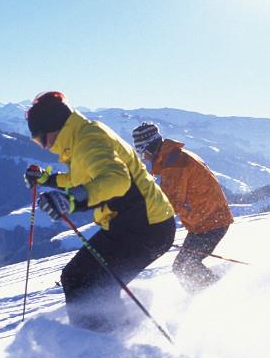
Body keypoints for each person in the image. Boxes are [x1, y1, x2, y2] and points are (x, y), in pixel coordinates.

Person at [24, 92, 175, 332]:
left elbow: (117, 180)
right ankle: (115, 339)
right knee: (81, 278)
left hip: (146, 227)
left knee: (85, 282)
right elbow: (81, 177)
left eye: (41, 138)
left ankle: (101, 347)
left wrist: (71, 201)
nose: (44, 145)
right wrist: (47, 179)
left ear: (54, 127)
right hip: (132, 224)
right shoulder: (79, 139)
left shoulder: (89, 141)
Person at [132, 122, 233, 293]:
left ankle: (217, 296)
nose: (144, 158)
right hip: (205, 221)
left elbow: (167, 204)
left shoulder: (175, 164)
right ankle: (209, 294)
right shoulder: (173, 157)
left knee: (184, 266)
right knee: (184, 266)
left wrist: (141, 224)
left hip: (211, 223)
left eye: (142, 153)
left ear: (149, 148)